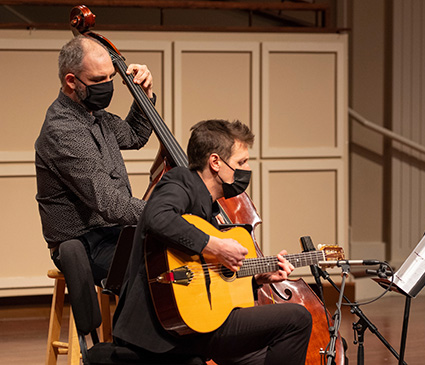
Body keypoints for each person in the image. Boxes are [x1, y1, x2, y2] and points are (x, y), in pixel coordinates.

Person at [112, 119, 312, 364]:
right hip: (160, 330)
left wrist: (257, 278)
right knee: (296, 318)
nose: (247, 169)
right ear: (216, 162)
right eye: (241, 162)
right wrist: (215, 246)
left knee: (259, 359)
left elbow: (209, 280)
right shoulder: (180, 182)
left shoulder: (210, 208)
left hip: (192, 322)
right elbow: (157, 216)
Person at [35, 35, 155, 285]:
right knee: (150, 273)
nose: (108, 85)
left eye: (111, 77)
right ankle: (129, 326)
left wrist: (144, 95)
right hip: (83, 243)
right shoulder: (64, 131)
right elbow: (110, 203)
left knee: (173, 256)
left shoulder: (94, 114)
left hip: (113, 233)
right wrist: (164, 212)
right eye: (99, 80)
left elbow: (134, 136)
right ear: (71, 81)